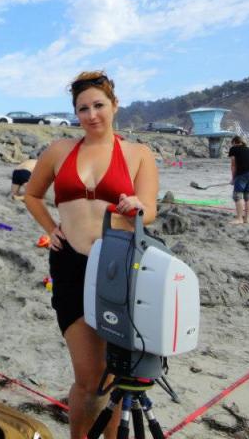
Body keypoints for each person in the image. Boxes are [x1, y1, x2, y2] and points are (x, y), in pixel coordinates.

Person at [24, 71, 158, 439]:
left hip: (117, 266)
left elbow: (150, 210)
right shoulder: (59, 150)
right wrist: (50, 228)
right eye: (83, 108)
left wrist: (137, 207)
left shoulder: (137, 154)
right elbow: (32, 195)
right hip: (70, 265)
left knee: (114, 376)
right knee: (88, 378)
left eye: (99, 105)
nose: (91, 114)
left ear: (115, 105)